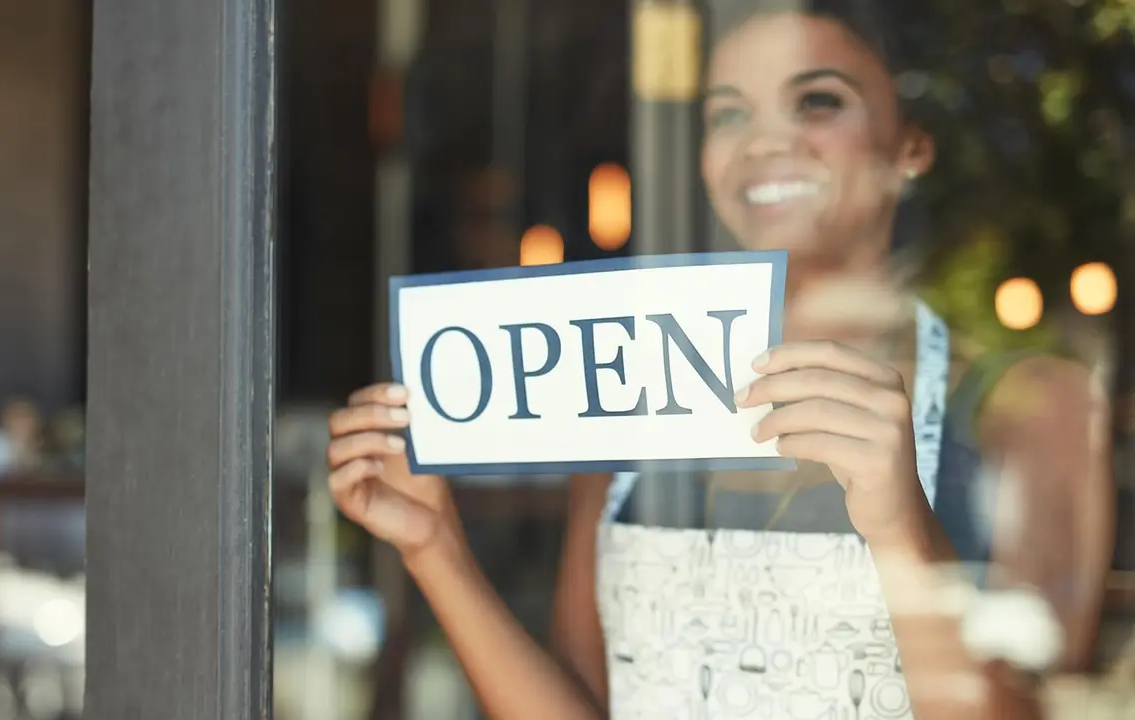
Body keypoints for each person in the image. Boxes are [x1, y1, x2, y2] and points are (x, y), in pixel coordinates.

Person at [324, 1, 1115, 717]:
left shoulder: (1032, 408)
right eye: (727, 113)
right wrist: (436, 550)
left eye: (818, 100)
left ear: (911, 145)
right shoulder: (632, 390)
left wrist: (903, 533)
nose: (766, 140)